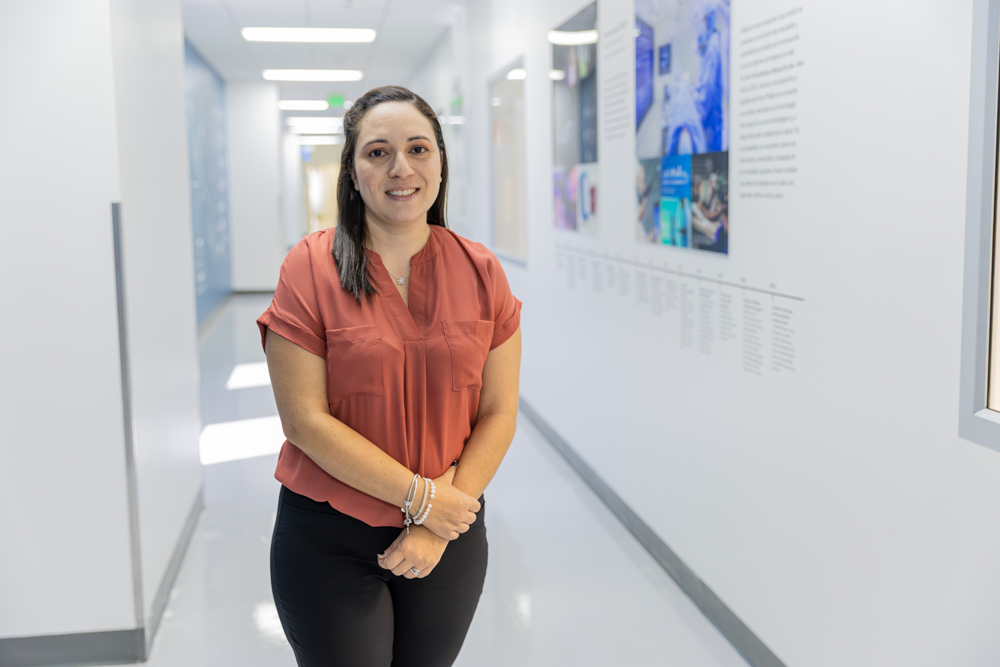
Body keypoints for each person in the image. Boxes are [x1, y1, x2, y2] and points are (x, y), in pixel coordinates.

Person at [257, 85, 522, 667]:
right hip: (329, 536)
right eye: (378, 153)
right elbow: (303, 420)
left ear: (440, 163)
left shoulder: (482, 271)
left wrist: (437, 521)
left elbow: (500, 411)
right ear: (352, 173)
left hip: (448, 534)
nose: (401, 167)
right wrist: (422, 500)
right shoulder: (309, 267)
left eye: (418, 149)